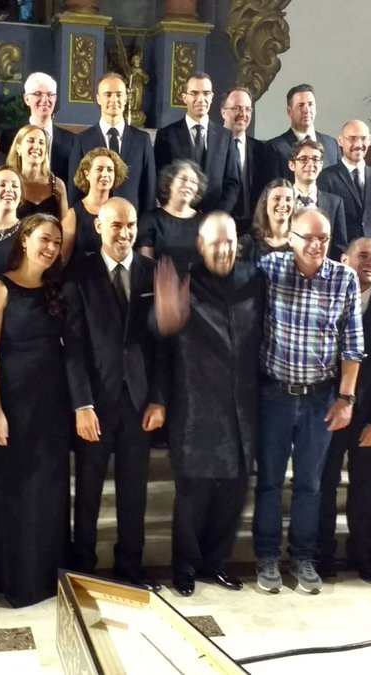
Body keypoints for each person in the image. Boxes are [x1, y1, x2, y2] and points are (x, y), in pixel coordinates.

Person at [253, 207, 363, 595]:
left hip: (321, 398)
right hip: (275, 395)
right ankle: (266, 557)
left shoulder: (344, 278)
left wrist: (346, 398)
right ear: (291, 236)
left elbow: (352, 345)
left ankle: (302, 558)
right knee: (268, 482)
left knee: (311, 485)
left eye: (324, 238)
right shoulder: (270, 269)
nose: (317, 245)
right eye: (308, 237)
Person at [153, 212, 263, 597]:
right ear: (201, 245)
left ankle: (215, 563)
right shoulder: (183, 279)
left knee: (233, 492)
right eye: (217, 242)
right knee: (193, 495)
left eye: (231, 241)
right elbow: (158, 338)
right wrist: (162, 320)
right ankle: (184, 566)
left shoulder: (254, 278)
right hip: (196, 406)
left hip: (243, 407)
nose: (225, 249)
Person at [64, 197, 167, 590]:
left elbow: (162, 346)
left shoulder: (152, 272)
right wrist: (82, 403)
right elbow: (72, 347)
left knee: (133, 491)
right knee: (88, 489)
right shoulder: (80, 275)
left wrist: (158, 398)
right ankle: (84, 567)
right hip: (95, 403)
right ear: (99, 228)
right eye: (117, 225)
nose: (125, 233)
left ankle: (130, 567)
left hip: (139, 403)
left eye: (131, 225)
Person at [0, 213, 72, 608]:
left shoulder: (57, 288)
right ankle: (15, 581)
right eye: (44, 239)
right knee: (13, 494)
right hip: (13, 405)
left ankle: (48, 578)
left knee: (49, 495)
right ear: (25, 238)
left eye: (56, 242)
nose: (50, 248)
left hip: (52, 407)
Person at [314, 237, 371, 585]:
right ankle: (321, 555)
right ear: (344, 259)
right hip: (329, 412)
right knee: (324, 484)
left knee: (364, 488)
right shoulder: (325, 298)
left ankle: (363, 557)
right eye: (363, 255)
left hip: (369, 417)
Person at [67, 73, 156, 213]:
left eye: (119, 94)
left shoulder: (142, 140)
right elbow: (74, 190)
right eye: (108, 94)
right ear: (98, 98)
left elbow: (149, 191)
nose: (114, 99)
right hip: (92, 224)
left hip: (131, 225)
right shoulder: (82, 140)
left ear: (126, 98)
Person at [153, 72, 240, 214]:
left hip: (214, 220)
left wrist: (219, 214)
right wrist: (178, 211)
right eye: (194, 93)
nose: (201, 99)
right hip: (178, 217)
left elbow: (232, 183)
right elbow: (159, 180)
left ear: (212, 97)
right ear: (184, 98)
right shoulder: (166, 135)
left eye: (206, 93)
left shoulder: (225, 137)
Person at [315, 120, 371, 247]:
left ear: (370, 140)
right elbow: (324, 219)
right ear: (340, 141)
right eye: (352, 138)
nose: (358, 144)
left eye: (363, 139)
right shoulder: (326, 177)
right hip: (340, 253)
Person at [221, 87, 284, 235]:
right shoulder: (211, 147)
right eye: (237, 108)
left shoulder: (264, 150)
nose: (243, 114)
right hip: (220, 227)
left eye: (248, 109)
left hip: (255, 230)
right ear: (223, 112)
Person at [0, 72, 75, 180]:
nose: (45, 100)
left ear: (55, 98)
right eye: (38, 94)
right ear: (26, 99)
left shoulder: (72, 141)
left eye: (50, 94)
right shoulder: (10, 137)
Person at [62, 147, 128, 263]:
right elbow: (62, 259)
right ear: (87, 174)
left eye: (110, 170)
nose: (105, 174)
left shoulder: (121, 210)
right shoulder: (73, 215)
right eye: (99, 169)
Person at [136, 159, 205, 270]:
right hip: (160, 284)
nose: (188, 184)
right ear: (170, 182)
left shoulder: (205, 222)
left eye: (193, 181)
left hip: (198, 285)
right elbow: (146, 264)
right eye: (183, 179)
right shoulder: (151, 219)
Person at [287, 139, 348, 259]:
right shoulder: (281, 200)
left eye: (315, 159)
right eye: (303, 159)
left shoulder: (335, 203)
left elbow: (339, 248)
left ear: (321, 165)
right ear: (292, 165)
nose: (310, 164)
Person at [267, 84, 341, 174]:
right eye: (301, 105)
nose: (306, 110)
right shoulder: (275, 147)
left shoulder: (332, 144)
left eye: (310, 104)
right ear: (289, 111)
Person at [8, 124, 67, 221]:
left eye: (41, 142)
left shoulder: (57, 185)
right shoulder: (8, 183)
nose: (36, 146)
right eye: (31, 141)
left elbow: (65, 227)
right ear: (18, 148)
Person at [241, 178, 295, 261]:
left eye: (288, 199)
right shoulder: (248, 244)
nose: (283, 204)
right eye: (277, 198)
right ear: (265, 203)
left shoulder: (300, 242)